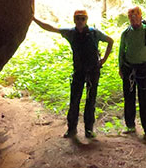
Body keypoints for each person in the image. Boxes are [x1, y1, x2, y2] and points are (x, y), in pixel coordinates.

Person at [33, 9, 113, 139]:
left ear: (86, 20)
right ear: (74, 20)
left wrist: (104, 59)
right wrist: (34, 19)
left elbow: (110, 41)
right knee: (74, 100)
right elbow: (51, 28)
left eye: (82, 18)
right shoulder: (71, 33)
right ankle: (72, 129)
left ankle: (88, 129)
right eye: (78, 18)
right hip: (79, 71)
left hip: (93, 71)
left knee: (90, 101)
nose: (80, 21)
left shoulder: (94, 33)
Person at [118, 5, 146, 138]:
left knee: (145, 99)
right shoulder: (125, 33)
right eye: (131, 17)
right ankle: (130, 125)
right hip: (129, 69)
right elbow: (121, 51)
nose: (133, 19)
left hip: (144, 69)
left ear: (140, 16)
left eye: (135, 16)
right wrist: (120, 67)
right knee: (129, 98)